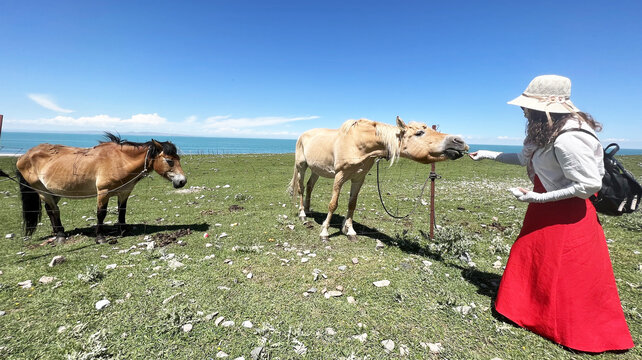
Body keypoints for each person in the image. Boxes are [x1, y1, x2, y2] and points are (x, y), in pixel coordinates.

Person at [469, 75, 634, 353]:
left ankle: (572, 329)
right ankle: (527, 313)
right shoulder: (546, 129)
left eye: (526, 107)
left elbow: (588, 185)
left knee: (566, 268)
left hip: (565, 212)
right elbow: (525, 158)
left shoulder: (569, 137)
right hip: (545, 206)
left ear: (545, 107)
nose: (523, 111)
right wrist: (486, 153)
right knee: (534, 256)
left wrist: (539, 197)